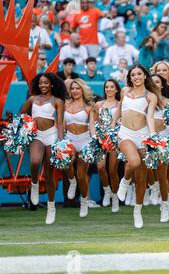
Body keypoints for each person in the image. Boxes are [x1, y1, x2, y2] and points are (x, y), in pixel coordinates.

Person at [113, 64, 158, 228]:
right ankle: (124, 182)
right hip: (125, 133)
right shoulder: (124, 91)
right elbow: (118, 110)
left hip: (143, 134)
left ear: (145, 76)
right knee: (134, 162)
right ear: (130, 77)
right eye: (133, 75)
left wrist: (152, 135)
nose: (136, 77)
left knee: (141, 178)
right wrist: (112, 127)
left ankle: (137, 211)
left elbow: (150, 117)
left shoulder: (150, 96)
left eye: (139, 74)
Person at [19, 73, 66, 225]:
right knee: (34, 162)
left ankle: (51, 207)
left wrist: (59, 142)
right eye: (40, 83)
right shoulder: (33, 99)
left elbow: (59, 123)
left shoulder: (57, 101)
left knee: (49, 173)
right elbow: (22, 114)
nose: (43, 85)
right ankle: (34, 184)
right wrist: (28, 125)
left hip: (51, 135)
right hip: (37, 135)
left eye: (46, 83)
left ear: (52, 84)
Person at [64, 79, 96, 218]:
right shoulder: (65, 104)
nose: (75, 91)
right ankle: (71, 181)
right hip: (69, 138)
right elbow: (61, 124)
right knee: (66, 161)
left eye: (77, 88)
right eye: (73, 89)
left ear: (82, 90)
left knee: (82, 176)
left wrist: (95, 140)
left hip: (84, 140)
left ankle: (84, 200)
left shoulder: (89, 107)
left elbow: (92, 127)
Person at [151, 73, 169, 219]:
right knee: (157, 171)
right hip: (151, 139)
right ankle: (160, 194)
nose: (155, 84)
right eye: (152, 82)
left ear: (162, 85)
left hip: (167, 139)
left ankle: (166, 201)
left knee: (167, 171)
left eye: (157, 81)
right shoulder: (146, 100)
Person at [94, 79, 121, 212]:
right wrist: (95, 136)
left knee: (112, 170)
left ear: (116, 89)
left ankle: (115, 197)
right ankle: (107, 191)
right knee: (100, 167)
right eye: (107, 87)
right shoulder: (98, 104)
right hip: (101, 139)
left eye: (112, 87)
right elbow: (94, 122)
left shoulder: (120, 104)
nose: (109, 89)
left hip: (115, 140)